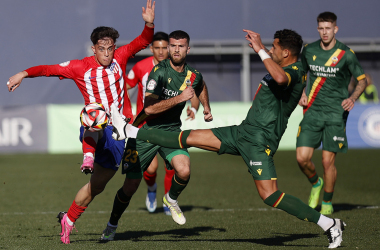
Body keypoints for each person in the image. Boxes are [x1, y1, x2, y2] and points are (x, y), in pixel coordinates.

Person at [111, 28, 347, 249]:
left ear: (285, 53)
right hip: (242, 132)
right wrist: (205, 107)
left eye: (274, 48)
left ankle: (328, 224)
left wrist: (259, 50)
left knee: (270, 195)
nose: (270, 50)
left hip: (259, 142)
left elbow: (283, 80)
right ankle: (131, 131)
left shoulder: (294, 72)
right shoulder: (288, 69)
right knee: (188, 138)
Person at [6, 0, 155, 244]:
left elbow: (143, 40)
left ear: (114, 48)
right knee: (93, 113)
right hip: (97, 128)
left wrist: (149, 23)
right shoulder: (79, 67)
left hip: (122, 132)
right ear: (93, 49)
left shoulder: (121, 56)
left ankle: (70, 219)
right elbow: (48, 69)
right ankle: (88, 154)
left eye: (110, 48)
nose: (106, 53)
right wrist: (23, 73)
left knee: (99, 187)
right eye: (101, 48)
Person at [100, 30, 212, 241]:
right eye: (173, 46)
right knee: (130, 186)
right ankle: (111, 225)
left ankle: (171, 198)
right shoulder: (158, 72)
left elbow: (201, 85)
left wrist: (204, 107)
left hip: (171, 132)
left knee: (184, 171)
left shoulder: (193, 73)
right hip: (145, 132)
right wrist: (180, 98)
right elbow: (150, 109)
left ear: (188, 49)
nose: (176, 50)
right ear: (168, 48)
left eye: (181, 46)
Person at [296, 12, 367, 215]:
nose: (324, 32)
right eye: (321, 28)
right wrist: (301, 92)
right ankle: (315, 183)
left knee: (328, 161)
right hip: (312, 111)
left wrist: (352, 98)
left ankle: (327, 201)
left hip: (336, 114)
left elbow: (362, 80)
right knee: (302, 158)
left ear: (335, 29)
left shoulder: (346, 54)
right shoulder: (308, 50)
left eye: (328, 28)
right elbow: (300, 73)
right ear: (317, 29)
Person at [125, 31, 200, 215]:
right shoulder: (141, 68)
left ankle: (168, 199)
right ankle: (151, 189)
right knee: (150, 169)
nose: (160, 52)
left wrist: (195, 108)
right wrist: (126, 111)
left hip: (170, 126)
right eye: (156, 48)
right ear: (151, 49)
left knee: (175, 166)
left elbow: (195, 92)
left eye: (163, 48)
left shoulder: (181, 71)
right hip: (145, 124)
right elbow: (124, 87)